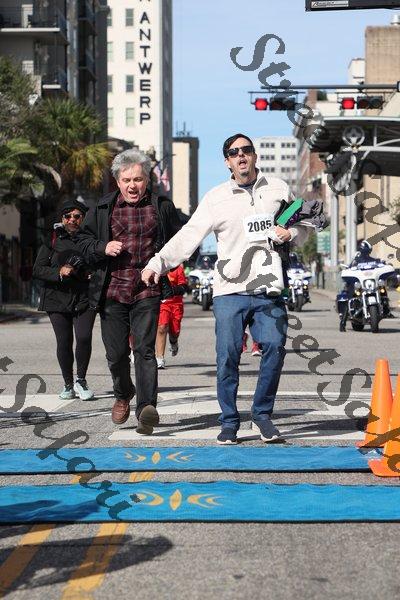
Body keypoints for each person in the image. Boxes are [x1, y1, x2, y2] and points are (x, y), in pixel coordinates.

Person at [142, 133, 309, 444]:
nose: (241, 156)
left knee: (275, 347)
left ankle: (262, 415)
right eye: (234, 153)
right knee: (228, 356)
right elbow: (190, 235)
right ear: (227, 162)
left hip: (269, 287)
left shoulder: (278, 189)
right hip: (229, 291)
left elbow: (302, 223)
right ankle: (229, 421)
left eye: (246, 150)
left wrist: (292, 234)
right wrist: (157, 263)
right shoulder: (216, 197)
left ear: (255, 155)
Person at [74, 148, 181, 434]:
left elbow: (181, 240)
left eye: (138, 179)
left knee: (144, 350)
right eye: (126, 180)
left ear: (147, 180)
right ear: (118, 181)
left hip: (147, 289)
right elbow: (82, 241)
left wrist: (162, 264)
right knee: (116, 354)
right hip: (111, 290)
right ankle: (123, 393)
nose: (132, 185)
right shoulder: (102, 208)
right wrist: (102, 247)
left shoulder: (161, 207)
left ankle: (146, 409)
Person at [32, 199, 96, 400]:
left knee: (84, 337)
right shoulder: (52, 239)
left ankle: (81, 381)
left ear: (83, 218)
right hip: (56, 298)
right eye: (68, 216)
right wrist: (59, 271)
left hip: (84, 297)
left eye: (77, 216)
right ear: (62, 218)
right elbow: (37, 269)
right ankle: (68, 384)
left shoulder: (90, 239)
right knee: (64, 341)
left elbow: (99, 263)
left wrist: (90, 272)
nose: (72, 220)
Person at [155, 264, 187, 369]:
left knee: (175, 332)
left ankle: (173, 341)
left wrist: (171, 290)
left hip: (176, 304)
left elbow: (183, 287)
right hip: (163, 303)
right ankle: (160, 358)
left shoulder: (177, 269)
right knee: (162, 327)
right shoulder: (157, 267)